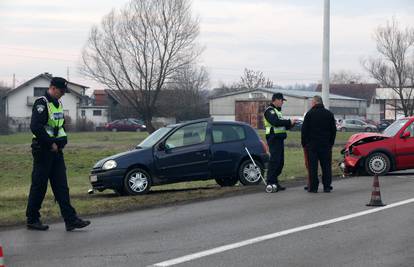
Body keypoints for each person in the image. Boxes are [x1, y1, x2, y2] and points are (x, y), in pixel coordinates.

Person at [26, 77, 91, 231]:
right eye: (61, 91)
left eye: (64, 92)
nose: (63, 94)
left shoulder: (58, 104)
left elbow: (58, 127)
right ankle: (32, 219)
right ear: (53, 88)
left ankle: (70, 220)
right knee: (39, 186)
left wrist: (61, 142)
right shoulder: (41, 103)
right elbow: (36, 127)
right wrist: (51, 143)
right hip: (43, 150)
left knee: (62, 187)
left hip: (56, 152)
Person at [301, 95, 336, 193]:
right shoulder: (329, 114)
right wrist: (331, 143)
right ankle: (327, 186)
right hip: (325, 145)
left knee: (313, 167)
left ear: (315, 102)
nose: (311, 103)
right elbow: (333, 130)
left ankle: (313, 187)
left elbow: (304, 130)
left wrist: (304, 143)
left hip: (312, 145)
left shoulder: (309, 114)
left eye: (312, 102)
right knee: (326, 166)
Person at [263, 93, 296, 193]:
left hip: (279, 139)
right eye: (281, 100)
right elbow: (275, 122)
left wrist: (291, 124)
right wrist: (288, 122)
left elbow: (283, 126)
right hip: (273, 139)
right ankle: (270, 182)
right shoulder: (270, 111)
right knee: (274, 161)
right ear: (276, 100)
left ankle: (275, 182)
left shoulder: (278, 111)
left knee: (280, 162)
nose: (282, 103)